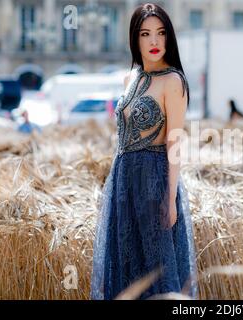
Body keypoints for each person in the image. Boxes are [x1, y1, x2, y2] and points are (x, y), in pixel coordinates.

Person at [91, 3, 198, 300]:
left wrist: (170, 197)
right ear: (134, 39)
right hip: (123, 183)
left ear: (169, 38)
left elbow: (175, 141)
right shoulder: (130, 79)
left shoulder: (173, 81)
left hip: (154, 181)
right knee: (125, 267)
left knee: (158, 269)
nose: (154, 42)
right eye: (145, 34)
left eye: (161, 33)